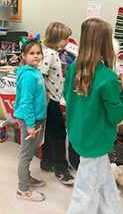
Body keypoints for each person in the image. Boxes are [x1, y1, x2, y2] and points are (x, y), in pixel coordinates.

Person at [63, 18, 123, 214]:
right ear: (105, 43)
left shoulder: (74, 67)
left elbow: (68, 97)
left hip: (79, 135)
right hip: (97, 141)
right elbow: (116, 115)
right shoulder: (108, 77)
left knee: (104, 183)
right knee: (86, 192)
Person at [38, 22, 75, 185]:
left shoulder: (52, 53)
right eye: (65, 38)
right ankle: (61, 169)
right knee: (59, 134)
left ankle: (47, 162)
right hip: (51, 100)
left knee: (49, 133)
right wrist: (46, 96)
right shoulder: (50, 55)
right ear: (56, 39)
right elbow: (41, 76)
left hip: (53, 98)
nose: (67, 41)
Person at [13, 37, 47, 202]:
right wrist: (31, 125)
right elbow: (26, 103)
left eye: (38, 53)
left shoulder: (35, 71)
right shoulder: (28, 76)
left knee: (29, 152)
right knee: (26, 155)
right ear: (23, 56)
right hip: (29, 121)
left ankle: (27, 177)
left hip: (36, 119)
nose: (36, 56)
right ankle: (23, 189)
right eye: (32, 53)